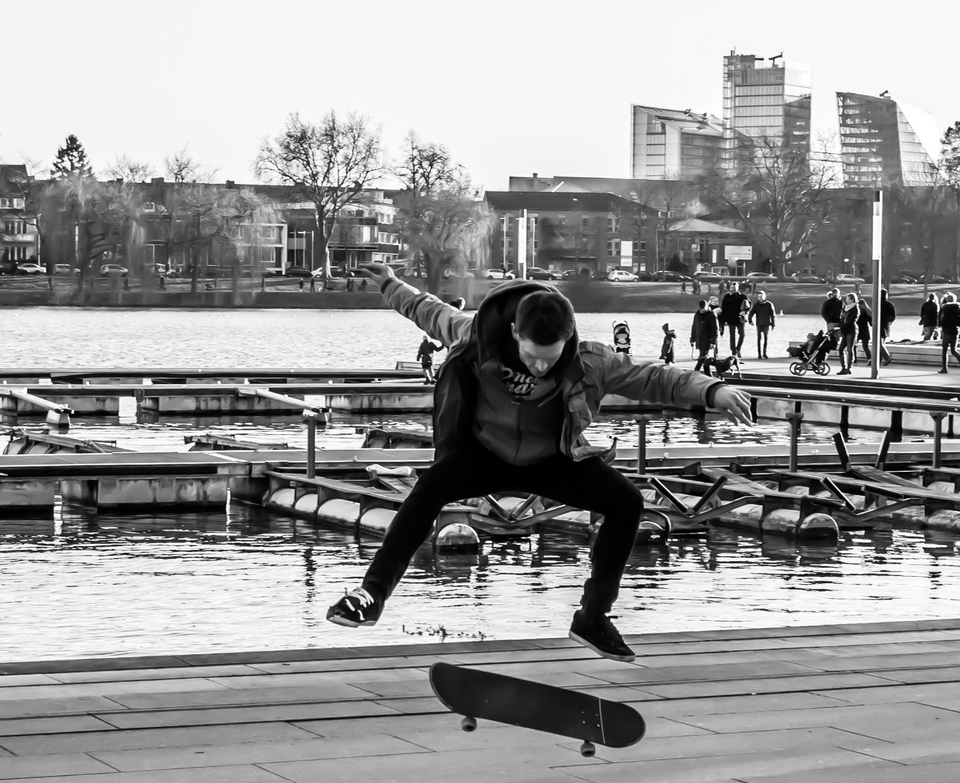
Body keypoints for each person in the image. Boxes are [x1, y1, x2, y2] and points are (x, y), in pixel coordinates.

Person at [323, 263, 755, 661]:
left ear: (568, 338)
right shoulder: (474, 336)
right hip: (481, 456)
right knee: (429, 488)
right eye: (532, 355)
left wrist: (711, 390)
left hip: (552, 459)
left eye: (551, 357)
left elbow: (655, 377)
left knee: (625, 502)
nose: (541, 365)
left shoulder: (590, 360)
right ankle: (371, 595)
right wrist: (388, 282)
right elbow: (426, 310)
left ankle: (592, 618)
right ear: (514, 333)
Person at [937, 292, 960, 372]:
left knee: (944, 350)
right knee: (953, 350)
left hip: (947, 331)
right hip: (956, 330)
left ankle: (945, 368)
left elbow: (941, 321)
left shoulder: (945, 308)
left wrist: (941, 326)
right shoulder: (958, 308)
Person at [719, 285, 749, 357]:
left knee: (742, 335)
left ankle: (738, 349)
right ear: (730, 288)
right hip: (730, 318)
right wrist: (724, 321)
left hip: (740, 319)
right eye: (732, 288)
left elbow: (748, 305)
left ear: (738, 288)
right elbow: (724, 309)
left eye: (735, 288)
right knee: (732, 336)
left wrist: (745, 312)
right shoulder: (727, 297)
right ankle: (733, 352)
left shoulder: (743, 296)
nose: (733, 289)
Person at [690, 299, 719, 372]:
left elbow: (715, 329)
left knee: (702, 357)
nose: (703, 310)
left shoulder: (711, 315)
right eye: (701, 308)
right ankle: (708, 374)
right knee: (705, 359)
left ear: (707, 306)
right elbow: (694, 327)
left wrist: (713, 341)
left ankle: (695, 372)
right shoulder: (697, 314)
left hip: (707, 340)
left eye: (704, 308)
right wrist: (692, 339)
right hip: (699, 339)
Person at [837, 292, 860, 374]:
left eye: (848, 298)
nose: (846, 300)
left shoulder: (855, 308)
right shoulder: (846, 308)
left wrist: (842, 326)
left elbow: (851, 321)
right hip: (845, 331)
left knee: (850, 349)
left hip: (851, 330)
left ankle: (849, 367)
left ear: (852, 299)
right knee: (841, 349)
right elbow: (843, 320)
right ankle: (844, 367)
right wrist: (838, 326)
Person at [750, 289, 777, 359]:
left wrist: (773, 324)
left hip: (766, 324)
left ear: (764, 297)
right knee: (759, 339)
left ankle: (764, 353)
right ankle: (759, 354)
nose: (760, 298)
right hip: (759, 324)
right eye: (759, 297)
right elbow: (751, 313)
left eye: (761, 297)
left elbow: (772, 315)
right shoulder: (756, 305)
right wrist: (750, 320)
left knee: (765, 339)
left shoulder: (769, 304)